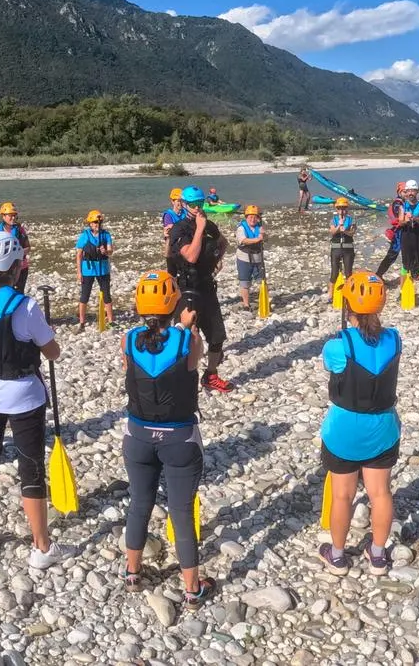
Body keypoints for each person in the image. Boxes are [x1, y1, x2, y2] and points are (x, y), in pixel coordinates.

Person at [0, 230, 75, 568]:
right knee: (30, 468)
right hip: (23, 397)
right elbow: (52, 352)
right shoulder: (25, 306)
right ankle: (42, 547)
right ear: (14, 268)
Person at [121, 271, 214, 606]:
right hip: (179, 439)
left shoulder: (129, 339)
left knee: (139, 503)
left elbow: (139, 361)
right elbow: (194, 359)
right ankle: (192, 589)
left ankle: (133, 572)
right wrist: (188, 326)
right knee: (181, 511)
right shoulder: (187, 340)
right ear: (174, 305)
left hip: (138, 435)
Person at [317, 271, 401, 576]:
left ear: (347, 305)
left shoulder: (338, 346)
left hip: (345, 432)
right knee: (381, 492)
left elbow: (331, 366)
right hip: (383, 429)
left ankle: (337, 556)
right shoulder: (394, 339)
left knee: (343, 495)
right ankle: (377, 555)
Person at [166, 186, 231, 393]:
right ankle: (179, 376)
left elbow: (223, 243)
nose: (197, 208)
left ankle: (211, 375)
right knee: (188, 332)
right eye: (193, 204)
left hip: (207, 285)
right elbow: (191, 256)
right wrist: (200, 229)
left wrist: (216, 260)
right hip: (187, 286)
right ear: (185, 204)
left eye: (200, 204)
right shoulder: (180, 229)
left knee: (217, 335)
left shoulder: (209, 225)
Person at [74, 210, 114, 329]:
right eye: (95, 222)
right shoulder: (85, 236)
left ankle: (111, 320)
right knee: (84, 296)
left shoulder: (106, 235)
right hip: (88, 269)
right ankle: (82, 322)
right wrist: (79, 272)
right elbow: (79, 255)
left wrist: (105, 251)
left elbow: (110, 251)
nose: (97, 224)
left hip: (103, 269)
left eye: (99, 222)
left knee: (106, 295)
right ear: (90, 224)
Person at [397, 180, 419, 298]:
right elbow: (400, 222)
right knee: (405, 265)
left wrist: (414, 218)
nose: (410, 193)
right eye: (408, 191)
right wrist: (405, 221)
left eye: (413, 191)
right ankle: (402, 292)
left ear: (417, 191)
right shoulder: (402, 206)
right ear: (406, 192)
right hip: (406, 237)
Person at [0, 201, 33, 293]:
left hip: (21, 267)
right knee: (5, 292)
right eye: (10, 215)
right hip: (3, 268)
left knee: (18, 292)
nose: (13, 218)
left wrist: (18, 253)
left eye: (14, 215)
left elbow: (28, 247)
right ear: (3, 216)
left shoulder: (20, 230)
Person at [234, 205, 267, 311]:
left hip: (258, 258)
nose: (252, 219)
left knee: (262, 281)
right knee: (245, 282)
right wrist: (258, 239)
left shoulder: (259, 227)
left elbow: (265, 240)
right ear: (246, 217)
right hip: (244, 258)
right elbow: (243, 240)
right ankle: (246, 304)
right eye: (250, 217)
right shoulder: (241, 228)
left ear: (258, 218)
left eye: (255, 217)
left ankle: (263, 301)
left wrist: (264, 235)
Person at [374, 183, 405, 280]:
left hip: (402, 231)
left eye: (407, 191)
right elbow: (400, 218)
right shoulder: (398, 203)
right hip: (399, 233)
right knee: (392, 254)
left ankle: (414, 273)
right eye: (404, 192)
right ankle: (379, 274)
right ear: (399, 192)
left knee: (409, 253)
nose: (406, 194)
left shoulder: (402, 202)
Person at [328, 198, 356, 298]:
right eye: (339, 208)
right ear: (337, 209)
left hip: (348, 249)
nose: (342, 210)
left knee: (348, 272)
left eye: (344, 208)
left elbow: (352, 233)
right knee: (334, 272)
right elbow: (332, 232)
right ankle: (330, 294)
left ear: (347, 209)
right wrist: (338, 227)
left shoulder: (351, 220)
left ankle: (349, 293)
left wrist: (345, 231)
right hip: (336, 248)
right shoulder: (333, 220)